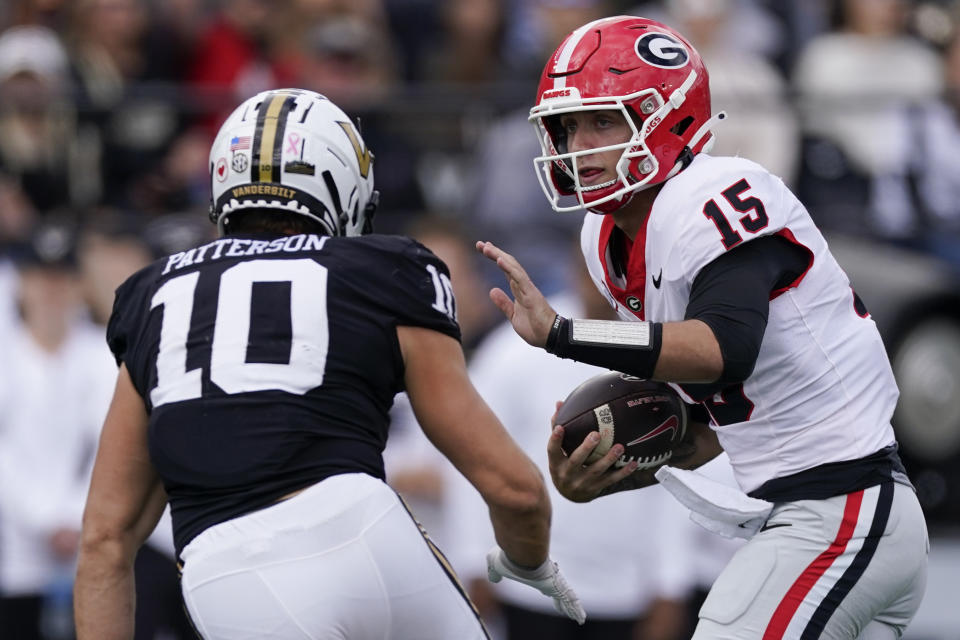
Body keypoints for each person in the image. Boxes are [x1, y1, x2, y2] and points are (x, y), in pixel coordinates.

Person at [475, 15, 929, 639]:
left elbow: (724, 350)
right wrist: (604, 473)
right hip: (807, 514)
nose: (578, 145)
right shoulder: (605, 236)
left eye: (604, 120)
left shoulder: (718, 191)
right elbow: (713, 425)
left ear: (671, 118)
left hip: (846, 508)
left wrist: (563, 333)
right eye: (568, 125)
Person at [73, 88, 584, 640]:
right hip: (371, 533)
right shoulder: (385, 270)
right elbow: (515, 489)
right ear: (344, 185)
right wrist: (527, 561)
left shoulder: (155, 295)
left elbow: (106, 538)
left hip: (238, 572)